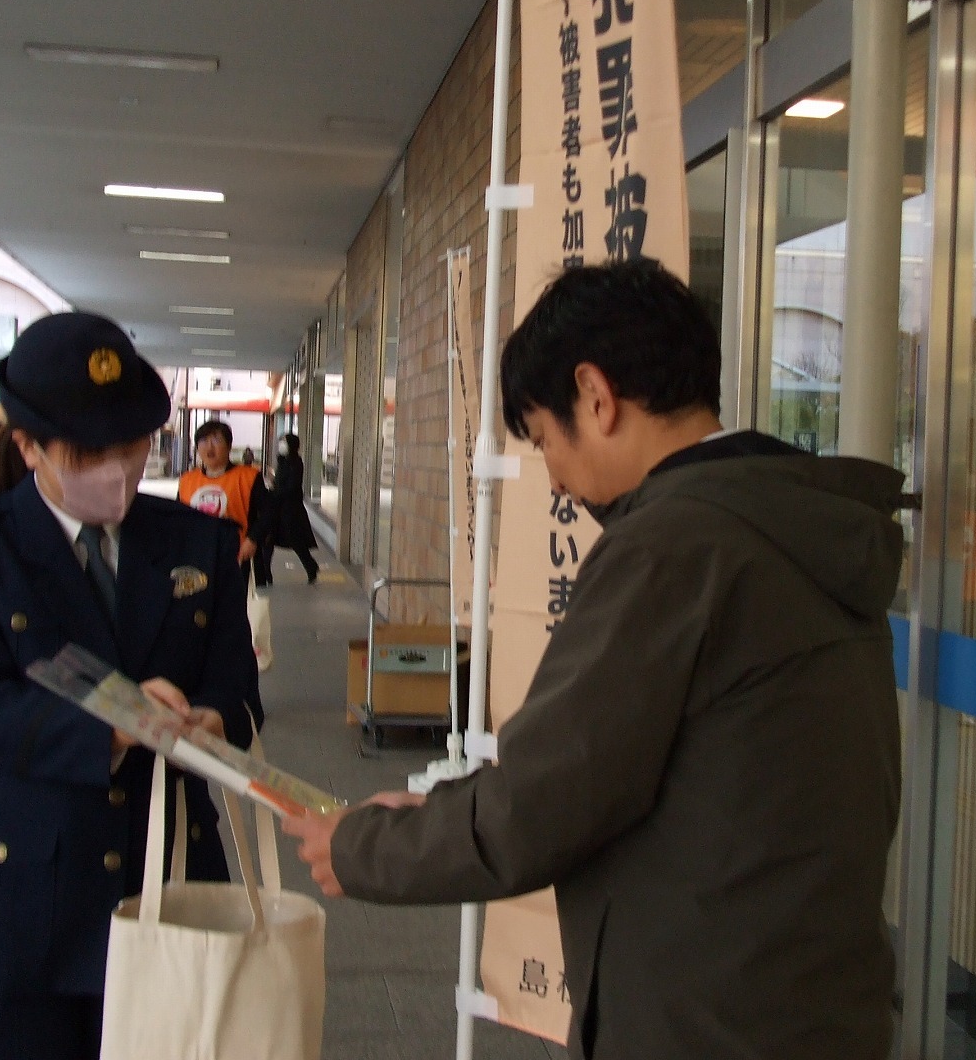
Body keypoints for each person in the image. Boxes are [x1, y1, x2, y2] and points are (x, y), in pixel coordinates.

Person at [285, 259, 904, 1060]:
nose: (555, 477)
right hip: (813, 1003)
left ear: (595, 396)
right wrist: (439, 810)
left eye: (545, 439)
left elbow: (544, 801)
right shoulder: (799, 527)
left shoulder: (672, 548)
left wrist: (360, 849)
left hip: (698, 1022)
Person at [0, 311, 262, 1060]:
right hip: (13, 919)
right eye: (89, 452)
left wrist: (213, 721)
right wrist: (116, 727)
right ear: (28, 446)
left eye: (130, 446)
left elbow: (236, 685)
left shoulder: (197, 543)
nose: (116, 469)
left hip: (167, 892)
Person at [177, 419, 270, 584]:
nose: (209, 447)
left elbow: (268, 513)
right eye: (203, 441)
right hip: (196, 556)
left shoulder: (248, 477)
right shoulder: (187, 480)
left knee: (232, 599)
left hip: (234, 555)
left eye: (216, 440)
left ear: (229, 446)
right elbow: (178, 516)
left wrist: (252, 539)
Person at [263, 432, 319, 583]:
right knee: (268, 539)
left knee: (296, 541)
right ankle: (265, 573)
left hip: (290, 509)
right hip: (277, 507)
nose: (281, 445)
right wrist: (273, 484)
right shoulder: (282, 461)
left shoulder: (296, 463)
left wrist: (275, 491)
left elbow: (292, 487)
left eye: (284, 442)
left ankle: (311, 566)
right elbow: (280, 483)